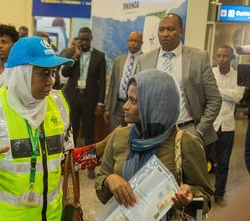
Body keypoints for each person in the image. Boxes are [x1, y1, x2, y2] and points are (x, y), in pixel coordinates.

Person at [0, 36, 108, 221]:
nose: (52, 81)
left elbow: (66, 160)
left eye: (54, 72)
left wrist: (99, 151)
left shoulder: (58, 103)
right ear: (22, 73)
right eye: (44, 73)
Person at [95, 69, 212, 221]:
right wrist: (109, 180)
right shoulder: (119, 137)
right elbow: (101, 189)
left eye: (134, 101)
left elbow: (206, 197)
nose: (125, 106)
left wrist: (189, 194)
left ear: (156, 105)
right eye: (127, 98)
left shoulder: (185, 144)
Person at [137, 13, 221, 146]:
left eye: (170, 29)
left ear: (181, 31)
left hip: (187, 131)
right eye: (161, 29)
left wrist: (198, 131)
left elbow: (214, 99)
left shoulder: (199, 58)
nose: (164, 34)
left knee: (185, 167)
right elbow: (138, 97)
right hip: (152, 134)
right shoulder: (145, 60)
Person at [61, 27, 106, 178]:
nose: (83, 42)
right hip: (73, 97)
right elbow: (64, 73)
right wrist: (75, 57)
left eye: (86, 39)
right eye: (81, 39)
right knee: (70, 131)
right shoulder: (72, 54)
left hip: (89, 98)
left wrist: (101, 102)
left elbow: (102, 82)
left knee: (88, 133)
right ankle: (69, 162)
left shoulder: (100, 56)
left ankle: (90, 166)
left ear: (91, 38)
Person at [205, 45, 244, 207]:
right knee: (203, 161)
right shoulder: (210, 73)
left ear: (232, 58)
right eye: (219, 56)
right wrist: (227, 92)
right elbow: (206, 93)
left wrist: (217, 90)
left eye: (225, 56)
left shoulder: (238, 76)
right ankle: (203, 194)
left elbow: (237, 97)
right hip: (210, 124)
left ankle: (219, 194)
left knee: (223, 163)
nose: (221, 59)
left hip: (227, 126)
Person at [104, 32, 143, 130]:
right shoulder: (119, 60)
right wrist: (107, 108)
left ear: (141, 43)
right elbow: (112, 84)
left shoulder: (145, 60)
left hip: (135, 106)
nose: (132, 43)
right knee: (116, 135)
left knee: (131, 135)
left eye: (136, 41)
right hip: (117, 106)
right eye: (130, 40)